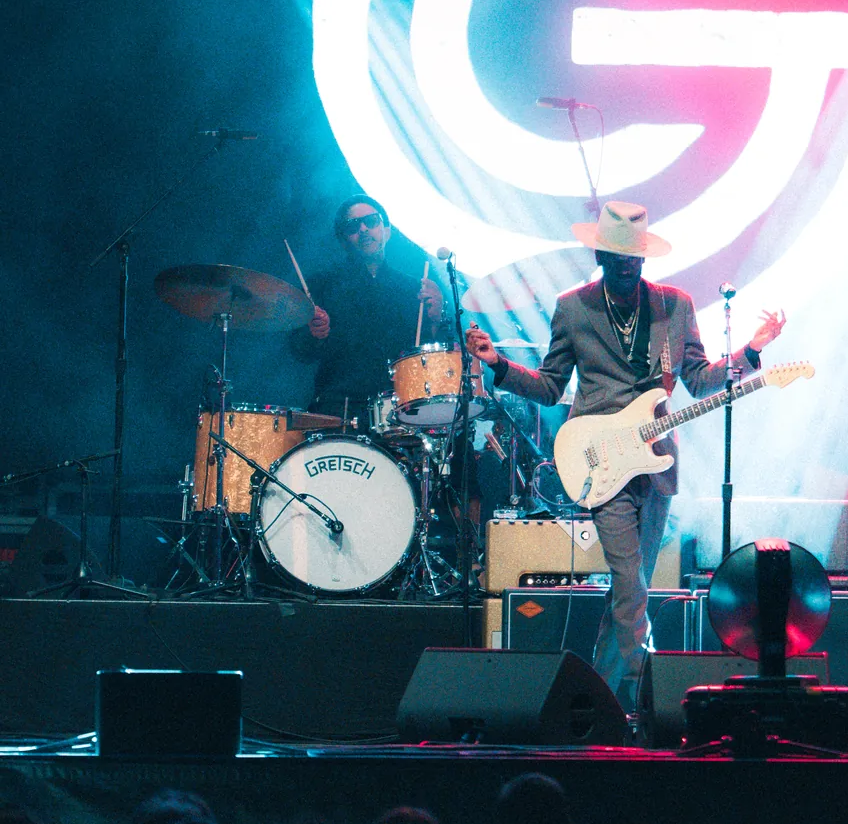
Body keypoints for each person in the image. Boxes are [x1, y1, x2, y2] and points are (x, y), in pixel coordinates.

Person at [465, 200, 785, 720]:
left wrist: (750, 351)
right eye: (616, 255)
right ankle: (653, 695)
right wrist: (498, 365)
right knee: (629, 577)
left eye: (634, 255)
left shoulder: (674, 306)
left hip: (655, 460)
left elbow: (700, 379)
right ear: (599, 253)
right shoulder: (574, 307)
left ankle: (593, 701)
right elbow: (549, 388)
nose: (626, 264)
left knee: (628, 584)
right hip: (601, 460)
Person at [289, 196, 443, 427]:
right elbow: (298, 351)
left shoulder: (415, 288)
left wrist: (436, 319)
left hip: (401, 408)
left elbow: (434, 357)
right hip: (338, 406)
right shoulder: (320, 285)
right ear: (343, 240)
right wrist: (313, 335)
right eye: (353, 226)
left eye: (371, 221)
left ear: (387, 231)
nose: (363, 229)